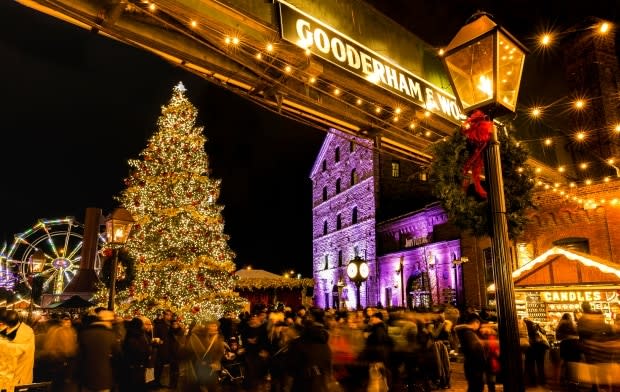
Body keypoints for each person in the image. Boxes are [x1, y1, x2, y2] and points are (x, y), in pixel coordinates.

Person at [77, 309, 122, 392]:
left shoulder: (84, 333)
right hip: (104, 378)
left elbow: (78, 355)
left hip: (86, 376)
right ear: (108, 321)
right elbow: (118, 355)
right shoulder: (110, 335)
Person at [185, 320, 226, 392]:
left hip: (213, 365)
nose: (214, 327)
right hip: (201, 364)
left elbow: (220, 352)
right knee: (201, 384)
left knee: (212, 385)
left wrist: (216, 362)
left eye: (215, 326)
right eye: (212, 325)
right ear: (208, 326)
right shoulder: (202, 335)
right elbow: (194, 332)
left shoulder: (219, 337)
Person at [3, 310, 36, 387]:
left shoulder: (22, 335)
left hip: (17, 380)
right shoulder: (24, 329)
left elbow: (9, 355)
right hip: (19, 378)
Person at [455, 313, 485, 392]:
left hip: (472, 365)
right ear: (476, 322)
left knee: (475, 386)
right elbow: (474, 349)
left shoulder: (469, 333)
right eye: (478, 323)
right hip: (474, 365)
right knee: (475, 387)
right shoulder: (468, 333)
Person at [524, 317, 549, 386]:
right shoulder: (536, 326)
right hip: (541, 347)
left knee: (531, 365)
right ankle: (542, 381)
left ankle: (533, 382)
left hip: (531, 347)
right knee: (540, 365)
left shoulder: (526, 328)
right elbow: (544, 332)